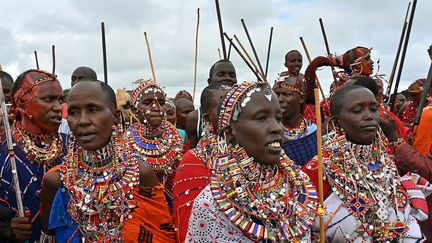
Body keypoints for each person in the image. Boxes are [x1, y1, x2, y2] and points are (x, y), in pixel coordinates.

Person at [40, 80, 175, 242]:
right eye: (74, 112)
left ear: (115, 117)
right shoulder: (55, 181)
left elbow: (162, 234)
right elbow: (49, 236)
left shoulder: (140, 174)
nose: (82, 120)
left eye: (93, 110)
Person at [186, 81, 318, 242]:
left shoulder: (300, 186)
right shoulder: (211, 205)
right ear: (230, 133)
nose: (277, 128)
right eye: (262, 118)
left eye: (278, 118)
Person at [304, 85, 429, 241]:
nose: (369, 116)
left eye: (373, 109)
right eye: (357, 111)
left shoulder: (385, 159)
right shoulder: (319, 169)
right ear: (337, 122)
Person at [0, 69, 66, 242]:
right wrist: (6, 228)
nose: (58, 107)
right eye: (48, 99)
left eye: (60, 100)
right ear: (21, 102)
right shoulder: (3, 147)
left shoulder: (73, 146)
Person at [172, 83, 229, 242]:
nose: (233, 114)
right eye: (224, 108)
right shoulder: (192, 163)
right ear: (206, 118)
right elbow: (188, 226)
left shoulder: (251, 153)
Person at [126, 79, 183, 207]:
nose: (156, 108)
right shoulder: (124, 142)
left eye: (161, 103)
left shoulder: (179, 137)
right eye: (147, 102)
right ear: (134, 109)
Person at [185, 60, 237, 149]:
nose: (228, 78)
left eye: (232, 75)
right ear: (210, 81)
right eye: (221, 74)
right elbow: (193, 152)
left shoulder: (245, 109)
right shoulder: (195, 118)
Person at [272, 76, 317, 167]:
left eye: (287, 94)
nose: (280, 99)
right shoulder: (271, 135)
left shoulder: (314, 132)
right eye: (276, 94)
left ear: (301, 98)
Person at [278, 50, 316, 123]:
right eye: (293, 61)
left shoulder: (305, 78)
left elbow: (313, 99)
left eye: (299, 61)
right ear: (286, 64)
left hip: (308, 115)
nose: (297, 64)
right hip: (291, 116)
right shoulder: (282, 79)